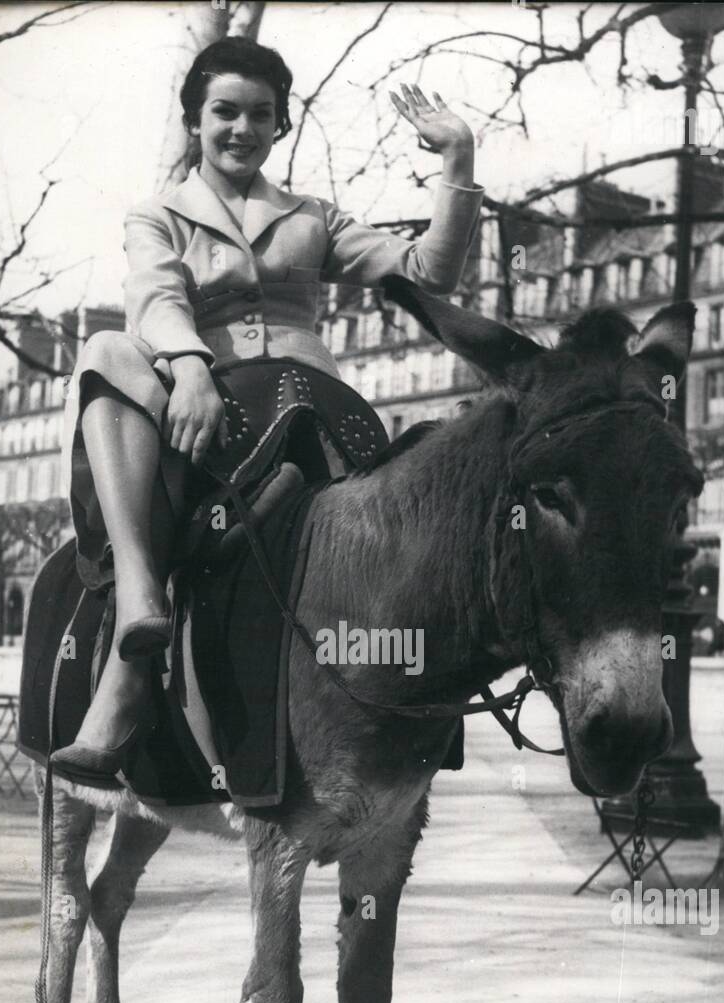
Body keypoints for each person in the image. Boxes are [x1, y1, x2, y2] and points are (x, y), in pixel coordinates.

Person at [51, 36, 483, 781]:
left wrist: (458, 160)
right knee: (104, 352)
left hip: (306, 404)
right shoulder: (158, 215)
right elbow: (153, 297)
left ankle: (401, 695)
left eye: (261, 114)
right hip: (207, 408)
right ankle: (137, 605)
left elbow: (427, 271)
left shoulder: (313, 216)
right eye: (225, 112)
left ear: (279, 125)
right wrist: (190, 365)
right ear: (196, 121)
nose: (242, 129)